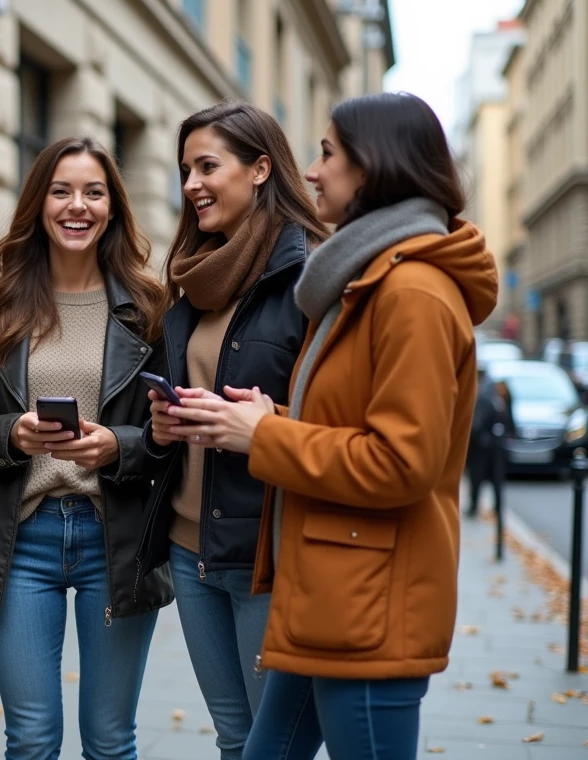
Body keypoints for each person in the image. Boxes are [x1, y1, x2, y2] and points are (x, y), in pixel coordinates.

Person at [167, 92, 498, 759]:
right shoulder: (365, 280)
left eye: (326, 153)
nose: (312, 171)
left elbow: (403, 462)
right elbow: (346, 427)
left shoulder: (413, 293)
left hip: (369, 607)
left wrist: (264, 435)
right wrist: (262, 420)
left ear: (372, 168)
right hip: (326, 595)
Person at [0, 136, 173, 759]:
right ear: (39, 203)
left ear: (113, 208)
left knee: (109, 740)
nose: (78, 206)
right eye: (62, 191)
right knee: (31, 739)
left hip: (118, 537)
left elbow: (170, 433)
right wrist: (12, 435)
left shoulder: (150, 308)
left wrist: (118, 446)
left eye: (94, 192)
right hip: (23, 540)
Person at [138, 102, 328, 759]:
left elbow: (340, 425)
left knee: (274, 746)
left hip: (267, 554)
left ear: (259, 169)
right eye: (185, 168)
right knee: (234, 736)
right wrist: (161, 425)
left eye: (207, 166)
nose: (190, 183)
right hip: (191, 551)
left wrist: (266, 425)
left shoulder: (313, 281)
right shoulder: (192, 282)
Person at [465, 368, 511, 518]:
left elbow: (510, 423)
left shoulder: (504, 401)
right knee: (476, 479)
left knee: (497, 480)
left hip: (497, 448)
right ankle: (474, 507)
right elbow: (477, 424)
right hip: (482, 448)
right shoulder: (485, 400)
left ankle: (498, 508)